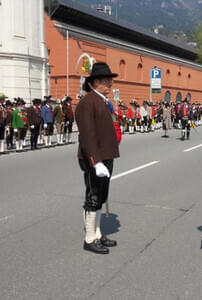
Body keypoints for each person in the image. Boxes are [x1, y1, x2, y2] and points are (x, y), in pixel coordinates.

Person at [75, 62, 120, 254]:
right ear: (93, 83)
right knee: (93, 197)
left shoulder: (102, 101)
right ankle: (89, 238)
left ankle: (97, 232)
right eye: (104, 80)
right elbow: (87, 135)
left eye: (109, 80)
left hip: (105, 155)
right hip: (95, 158)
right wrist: (96, 161)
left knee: (101, 196)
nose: (109, 83)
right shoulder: (87, 102)